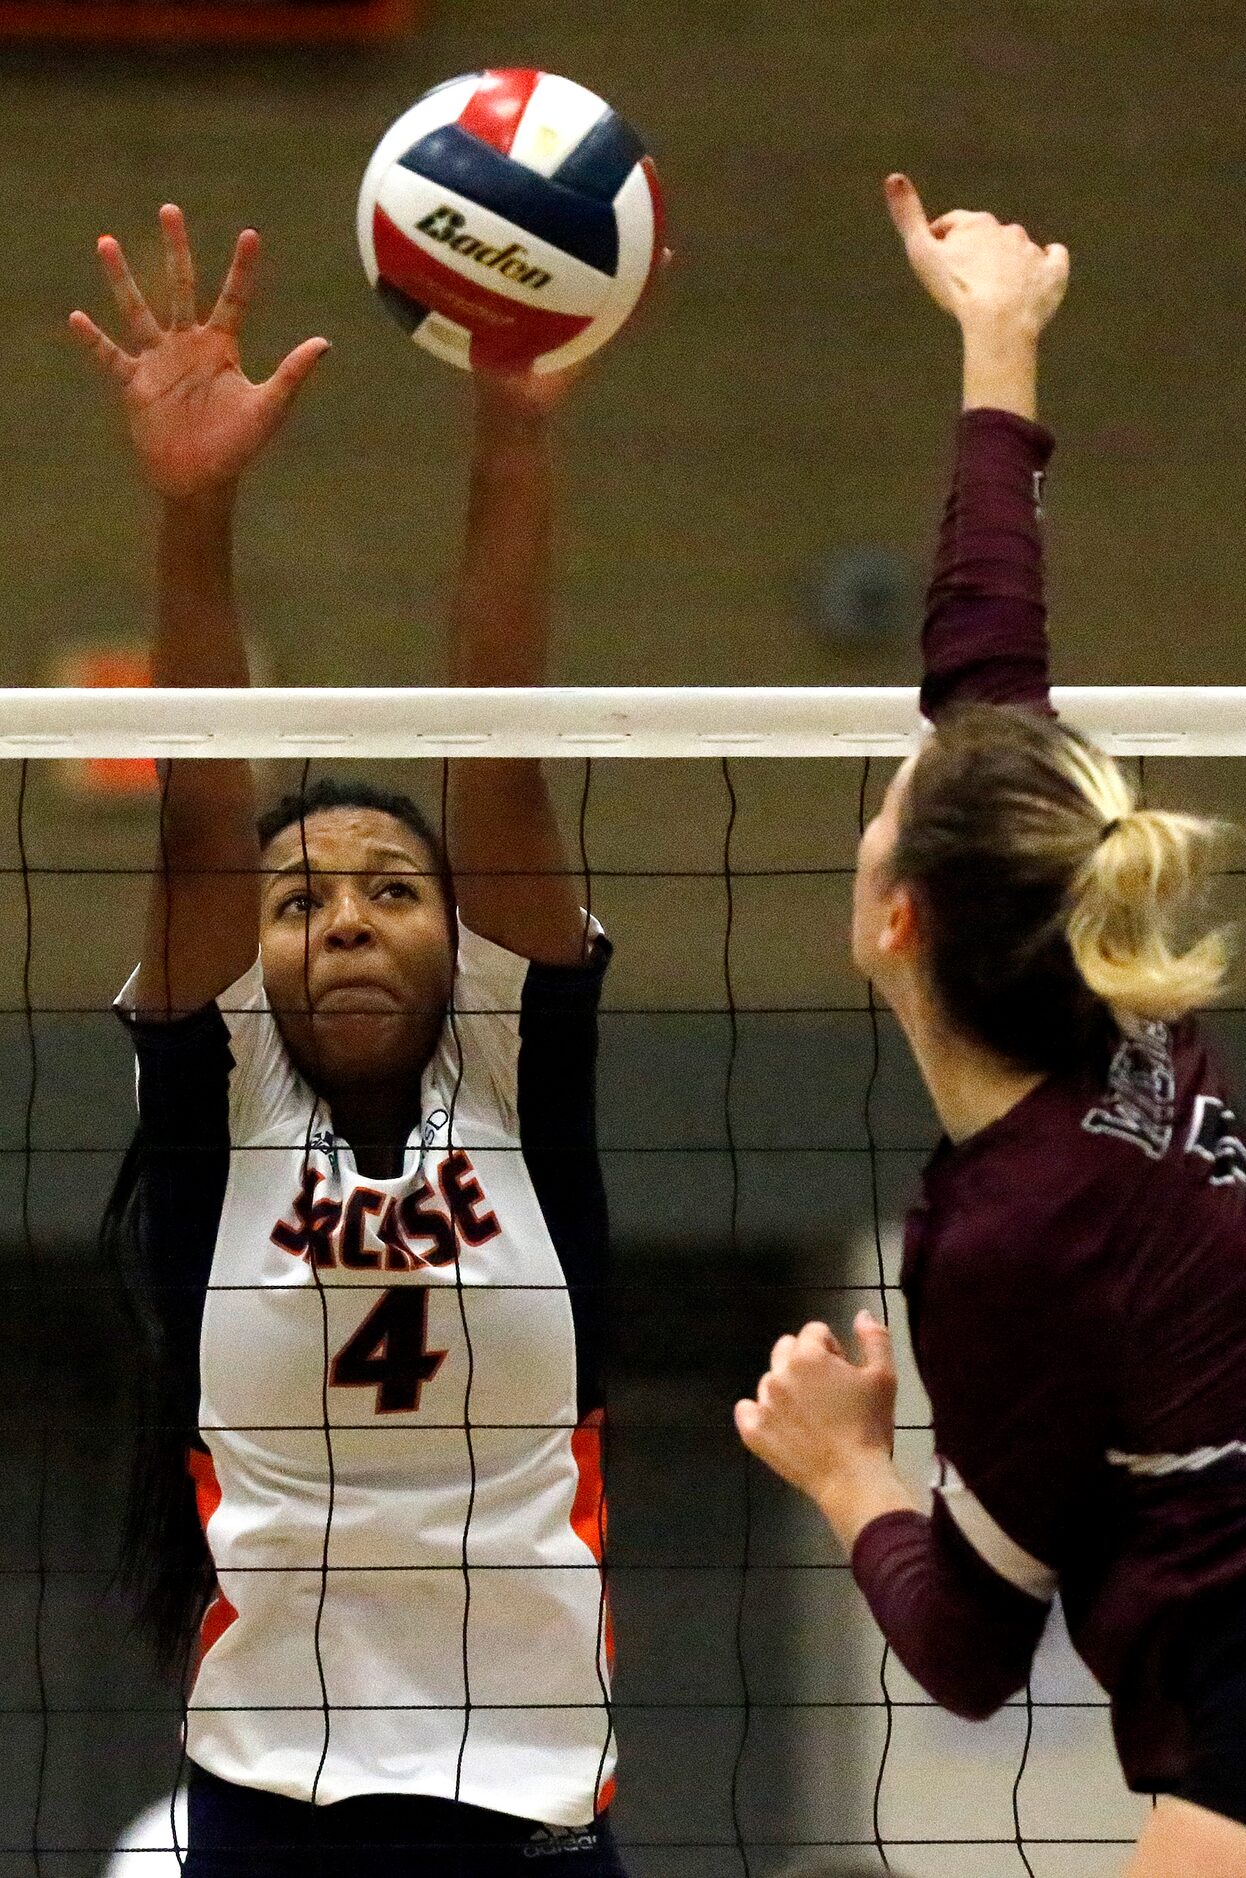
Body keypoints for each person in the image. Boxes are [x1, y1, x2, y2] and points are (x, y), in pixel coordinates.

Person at [736, 177, 1246, 1878]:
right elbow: (985, 664)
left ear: (896, 920)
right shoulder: (1102, 982)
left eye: (881, 815)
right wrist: (994, 342)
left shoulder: (1009, 1229)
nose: (887, 793)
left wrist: (842, 1468)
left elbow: (963, 1646)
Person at [72, 206, 628, 1876]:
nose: (346, 917)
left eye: (393, 886)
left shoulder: (516, 1082)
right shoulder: (223, 1095)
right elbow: (198, 828)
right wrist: (192, 506)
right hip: (268, 1800)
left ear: (457, 936)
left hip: (530, 1802)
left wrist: (512, 424)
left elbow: (502, 757)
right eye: (302, 898)